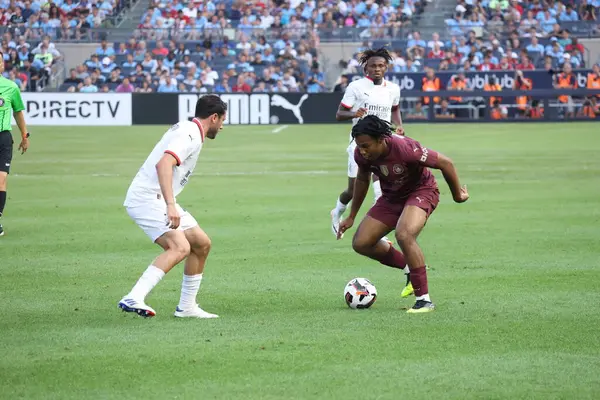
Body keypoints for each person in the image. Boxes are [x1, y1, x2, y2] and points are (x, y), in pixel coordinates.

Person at [337, 115, 469, 313]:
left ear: (381, 139)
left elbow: (446, 163)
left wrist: (458, 195)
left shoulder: (406, 149)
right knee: (361, 243)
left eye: (366, 145)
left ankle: (424, 300)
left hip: (421, 191)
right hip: (391, 198)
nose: (362, 151)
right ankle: (410, 266)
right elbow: (362, 181)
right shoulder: (361, 154)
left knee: (404, 234)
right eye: (359, 146)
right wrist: (352, 216)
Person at [118, 94, 227, 319]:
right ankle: (134, 296)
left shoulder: (191, 130)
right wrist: (170, 205)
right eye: (222, 120)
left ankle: (187, 307)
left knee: (201, 244)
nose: (222, 127)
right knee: (180, 247)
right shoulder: (190, 134)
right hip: (148, 198)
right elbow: (164, 163)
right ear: (214, 117)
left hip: (158, 196)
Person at [331, 47, 412, 296]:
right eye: (373, 66)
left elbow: (395, 108)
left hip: (385, 145)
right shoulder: (356, 87)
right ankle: (338, 210)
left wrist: (399, 125)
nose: (377, 69)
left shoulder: (393, 88)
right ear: (366, 68)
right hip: (360, 145)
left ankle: (380, 232)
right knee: (353, 189)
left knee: (382, 186)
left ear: (386, 67)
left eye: (381, 66)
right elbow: (339, 114)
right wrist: (353, 113)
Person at [0, 51, 30, 237]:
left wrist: (24, 136)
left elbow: (18, 112)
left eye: (0, 60)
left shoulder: (11, 87)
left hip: (3, 138)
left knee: (1, 179)